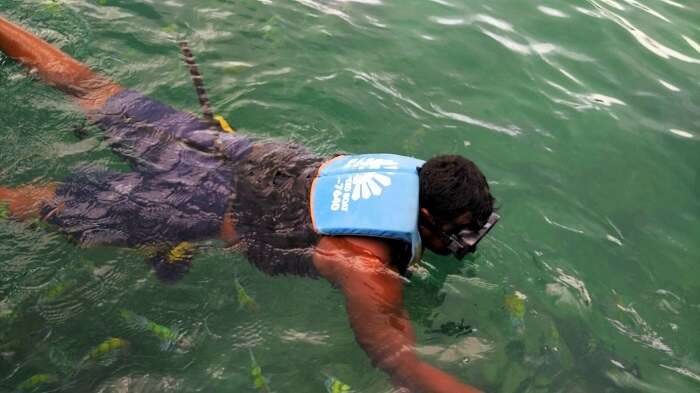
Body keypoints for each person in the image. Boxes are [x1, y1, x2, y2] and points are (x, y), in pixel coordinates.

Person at [0, 15, 497, 393]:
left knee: (93, 89)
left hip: (232, 151)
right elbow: (401, 365)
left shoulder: (403, 172)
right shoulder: (365, 264)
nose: (462, 246)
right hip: (197, 203)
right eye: (456, 234)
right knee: (43, 206)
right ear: (426, 216)